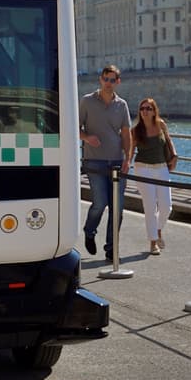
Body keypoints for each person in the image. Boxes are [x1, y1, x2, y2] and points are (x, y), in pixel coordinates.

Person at [78, 64, 133, 257]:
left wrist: (128, 158)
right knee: (100, 203)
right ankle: (89, 231)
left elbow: (126, 134)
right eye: (105, 79)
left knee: (117, 208)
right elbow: (74, 127)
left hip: (117, 161)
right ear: (100, 80)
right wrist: (87, 138)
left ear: (118, 82)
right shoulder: (87, 101)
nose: (108, 83)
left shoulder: (122, 105)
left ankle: (111, 249)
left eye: (112, 80)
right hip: (94, 161)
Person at [131, 97, 177, 255]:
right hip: (143, 169)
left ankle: (157, 230)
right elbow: (130, 150)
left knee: (166, 206)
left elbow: (168, 141)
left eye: (148, 108)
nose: (145, 111)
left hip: (161, 167)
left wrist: (174, 156)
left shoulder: (161, 124)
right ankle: (153, 242)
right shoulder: (136, 130)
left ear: (154, 111)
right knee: (150, 206)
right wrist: (126, 165)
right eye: (142, 108)